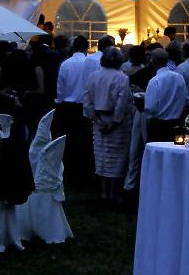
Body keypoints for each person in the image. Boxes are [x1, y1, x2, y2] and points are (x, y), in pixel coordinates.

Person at [83, 47, 134, 201]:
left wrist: (96, 119)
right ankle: (113, 192)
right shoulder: (122, 78)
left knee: (102, 156)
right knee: (117, 157)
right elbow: (121, 104)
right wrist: (114, 122)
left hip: (99, 119)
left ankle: (104, 191)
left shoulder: (93, 76)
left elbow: (87, 100)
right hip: (116, 122)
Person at [54, 35, 92, 185]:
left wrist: (61, 101)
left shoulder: (66, 64)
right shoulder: (89, 63)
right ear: (85, 48)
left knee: (69, 142)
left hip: (68, 107)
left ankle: (69, 174)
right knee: (84, 142)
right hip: (84, 106)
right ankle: (83, 174)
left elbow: (60, 87)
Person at [143, 48, 187, 144]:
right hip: (176, 124)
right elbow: (185, 98)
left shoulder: (155, 81)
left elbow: (150, 107)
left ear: (152, 61)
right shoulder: (179, 77)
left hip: (159, 127)